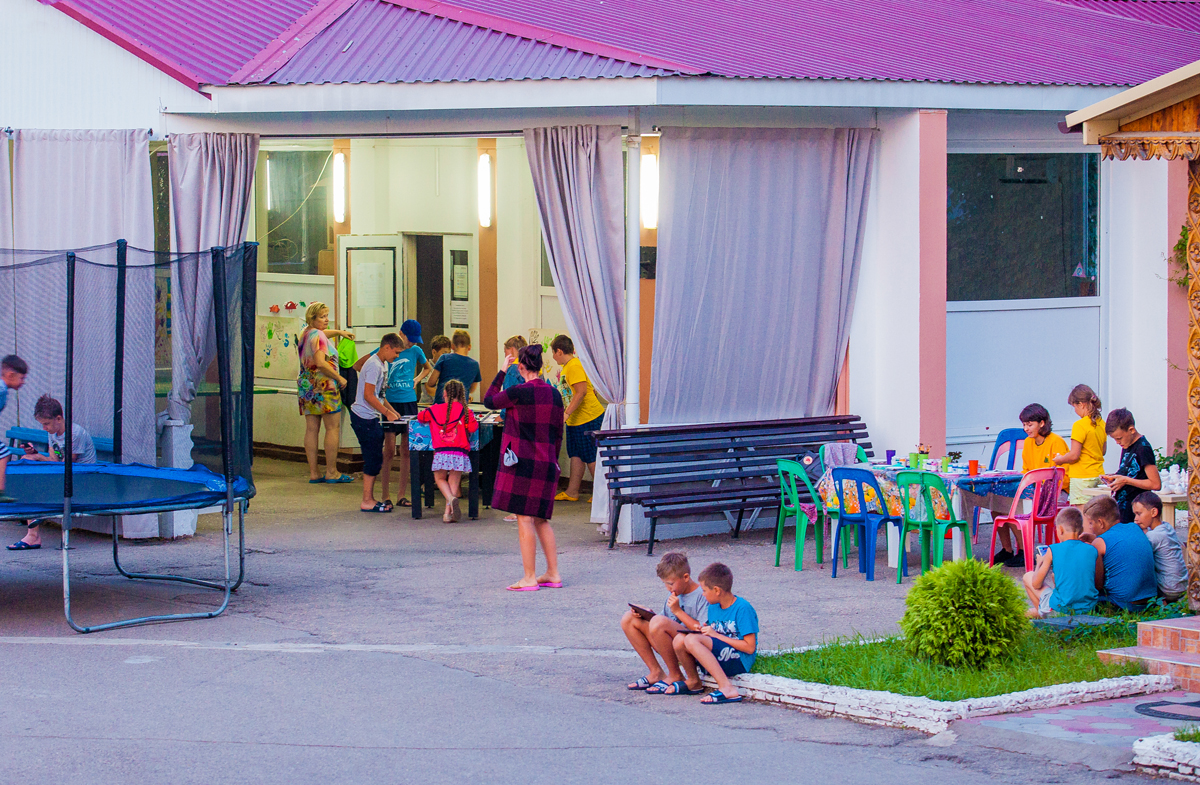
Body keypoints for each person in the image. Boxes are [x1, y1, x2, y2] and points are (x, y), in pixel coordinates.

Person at [483, 344, 565, 591]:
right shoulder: (554, 394)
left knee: (524, 518)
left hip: (522, 463)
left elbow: (489, 400)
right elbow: (558, 432)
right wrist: (555, 461)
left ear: (520, 367)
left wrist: (501, 372)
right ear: (540, 366)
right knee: (541, 519)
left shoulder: (518, 392)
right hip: (547, 462)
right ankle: (553, 573)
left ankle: (529, 577)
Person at [355, 319, 432, 509]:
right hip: (389, 399)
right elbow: (358, 366)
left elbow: (427, 368)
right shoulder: (383, 354)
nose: (411, 344)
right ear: (401, 334)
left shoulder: (415, 351)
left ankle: (401, 494)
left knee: (406, 449)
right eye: (409, 339)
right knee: (389, 449)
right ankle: (385, 494)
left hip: (408, 401)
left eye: (414, 341)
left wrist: (416, 380)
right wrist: (378, 382)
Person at [9, 394, 97, 550]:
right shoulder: (52, 433)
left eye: (46, 424)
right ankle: (32, 532)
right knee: (28, 461)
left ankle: (33, 535)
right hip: (65, 476)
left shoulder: (75, 434)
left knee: (34, 487)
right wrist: (36, 455)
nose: (44, 428)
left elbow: (67, 465)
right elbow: (54, 460)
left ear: (59, 418)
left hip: (81, 481)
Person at [993, 403, 1071, 567]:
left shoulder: (1056, 442)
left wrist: (1041, 486)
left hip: (1055, 493)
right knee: (997, 508)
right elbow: (1026, 470)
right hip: (1033, 491)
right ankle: (1007, 549)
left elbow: (1064, 476)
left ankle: (1024, 551)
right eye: (1024, 425)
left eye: (1029, 424)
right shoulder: (1028, 442)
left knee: (1013, 509)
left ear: (1042, 423)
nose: (1026, 429)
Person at [621, 552, 708, 695]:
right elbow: (662, 620)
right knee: (629, 618)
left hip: (690, 648)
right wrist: (645, 614)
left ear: (686, 577)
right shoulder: (674, 593)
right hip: (670, 645)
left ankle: (675, 674)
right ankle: (656, 672)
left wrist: (678, 611)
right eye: (665, 584)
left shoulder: (702, 595)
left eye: (671, 583)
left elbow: (703, 630)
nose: (668, 588)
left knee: (658, 622)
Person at [672, 562, 759, 704]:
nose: (703, 594)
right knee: (680, 639)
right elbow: (714, 635)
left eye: (705, 590)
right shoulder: (713, 608)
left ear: (717, 590)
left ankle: (727, 688)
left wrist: (716, 635)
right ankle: (694, 681)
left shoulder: (742, 608)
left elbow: (749, 647)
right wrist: (704, 630)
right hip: (721, 656)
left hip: (739, 660)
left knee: (692, 640)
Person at [298, 302, 354, 484]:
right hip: (325, 386)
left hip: (307, 387)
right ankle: (332, 472)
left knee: (311, 429)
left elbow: (321, 334)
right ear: (312, 319)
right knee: (332, 428)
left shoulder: (305, 333)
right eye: (322, 317)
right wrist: (339, 378)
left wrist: (338, 332)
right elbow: (321, 362)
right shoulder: (318, 336)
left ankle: (314, 472)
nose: (326, 320)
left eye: (326, 316)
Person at [349, 333, 403, 512]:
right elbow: (368, 395)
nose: (397, 356)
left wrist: (393, 411)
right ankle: (366, 500)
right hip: (363, 417)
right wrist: (386, 413)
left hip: (371, 417)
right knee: (372, 458)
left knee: (375, 457)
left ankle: (370, 498)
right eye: (396, 352)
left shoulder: (383, 364)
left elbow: (380, 395)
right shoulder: (373, 365)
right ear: (386, 347)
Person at [550, 335, 606, 503]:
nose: (553, 357)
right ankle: (572, 491)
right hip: (575, 421)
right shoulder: (568, 367)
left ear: (559, 351)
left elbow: (581, 392)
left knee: (591, 456)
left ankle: (602, 496)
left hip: (588, 418)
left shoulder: (574, 366)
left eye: (553, 353)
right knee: (576, 455)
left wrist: (566, 413)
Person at [1021, 507, 1100, 619]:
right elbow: (1096, 582)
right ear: (1082, 530)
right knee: (1055, 577)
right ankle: (1042, 613)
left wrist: (1039, 563)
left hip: (1061, 609)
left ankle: (1045, 618)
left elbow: (1036, 584)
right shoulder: (1092, 550)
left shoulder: (1053, 550)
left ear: (1061, 530)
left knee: (1028, 576)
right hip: (1088, 609)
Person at [1081, 495, 1157, 610]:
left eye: (1091, 523)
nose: (1090, 527)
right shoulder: (1134, 527)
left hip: (1123, 604)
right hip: (1150, 600)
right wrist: (1094, 539)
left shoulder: (1099, 544)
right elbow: (1117, 541)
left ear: (1101, 523)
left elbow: (1097, 585)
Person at [418, 379, 478, 523]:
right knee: (454, 482)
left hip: (441, 451)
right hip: (460, 452)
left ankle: (451, 499)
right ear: (462, 394)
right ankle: (447, 514)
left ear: (444, 393)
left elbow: (421, 417)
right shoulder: (466, 411)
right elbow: (473, 428)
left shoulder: (434, 409)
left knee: (439, 479)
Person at [1103, 408, 1161, 523]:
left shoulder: (1143, 448)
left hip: (1136, 513)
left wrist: (1125, 481)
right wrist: (1114, 478)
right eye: (1115, 439)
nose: (1117, 442)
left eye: (1119, 438)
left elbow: (1155, 484)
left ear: (1131, 430)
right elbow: (1130, 473)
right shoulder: (1127, 444)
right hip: (1123, 509)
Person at [1053, 384, 1107, 507]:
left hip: (1081, 477)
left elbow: (1074, 455)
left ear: (1081, 404)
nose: (1075, 411)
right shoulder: (1102, 423)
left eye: (1074, 406)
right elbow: (1103, 451)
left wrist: (1061, 459)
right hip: (1098, 474)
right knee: (1096, 512)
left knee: (1083, 514)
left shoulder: (1079, 425)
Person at [1133, 491, 1187, 602]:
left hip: (1168, 589)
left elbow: (1138, 555)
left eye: (1139, 514)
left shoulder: (1154, 536)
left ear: (1153, 512)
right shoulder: (1167, 527)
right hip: (1183, 584)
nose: (1135, 519)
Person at [499, 335, 529, 522]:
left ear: (511, 350)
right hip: (531, 421)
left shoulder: (511, 371)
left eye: (505, 352)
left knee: (514, 465)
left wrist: (502, 415)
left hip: (515, 423)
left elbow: (508, 397)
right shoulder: (532, 368)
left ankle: (517, 509)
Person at [0, 355, 27, 504]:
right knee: (3, 453)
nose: (23, 382)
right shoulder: (1, 390)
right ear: (10, 375)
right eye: (22, 378)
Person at [426, 330, 481, 404]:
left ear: (452, 346)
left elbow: (430, 383)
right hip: (460, 407)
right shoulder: (475, 365)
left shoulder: (444, 358)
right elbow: (472, 389)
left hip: (441, 405)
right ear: (469, 347)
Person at [421, 335, 451, 405]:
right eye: (444, 353)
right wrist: (449, 397)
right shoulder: (427, 368)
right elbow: (429, 390)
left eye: (449, 354)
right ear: (434, 352)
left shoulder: (447, 368)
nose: (447, 357)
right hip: (427, 406)